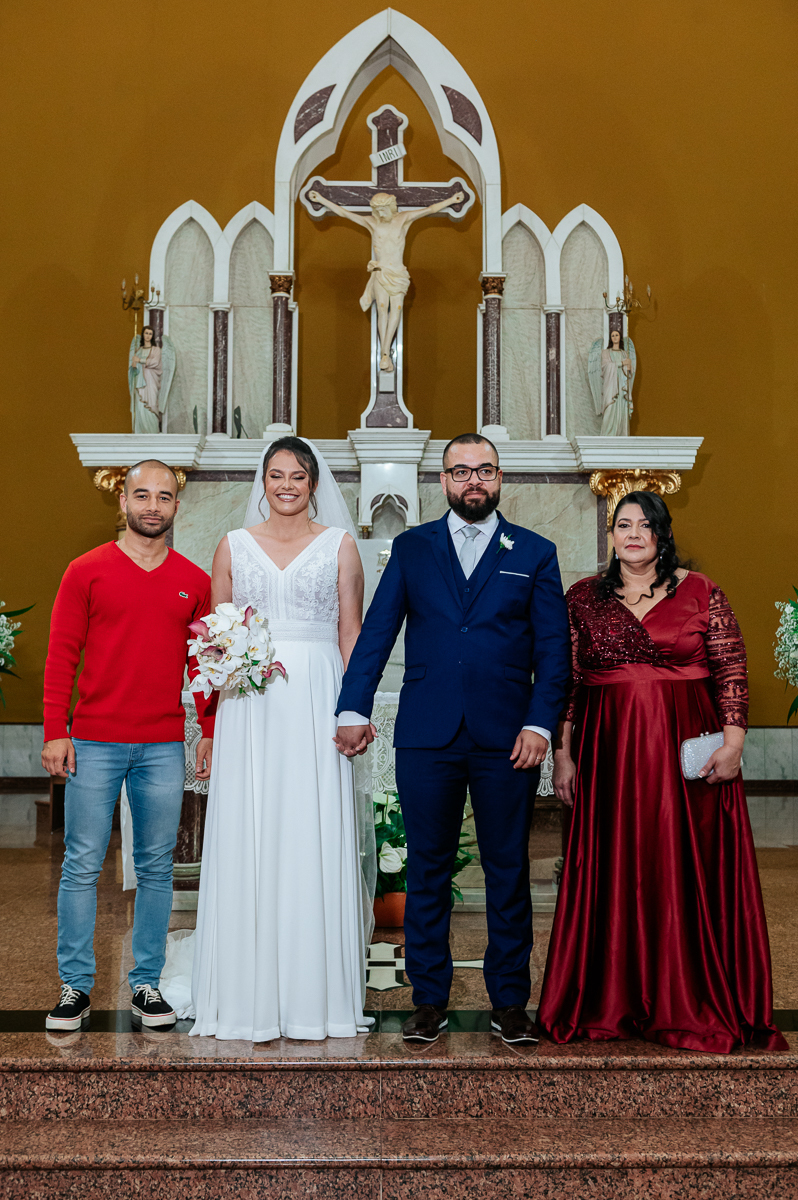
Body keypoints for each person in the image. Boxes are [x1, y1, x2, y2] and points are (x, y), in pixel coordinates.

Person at [335, 433, 571, 1045]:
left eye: (484, 470)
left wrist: (540, 722)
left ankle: (511, 1001)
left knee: (507, 871)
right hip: (427, 735)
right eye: (461, 471)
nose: (473, 481)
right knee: (428, 872)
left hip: (508, 737)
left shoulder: (535, 552)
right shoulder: (412, 549)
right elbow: (378, 632)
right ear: (442, 481)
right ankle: (428, 999)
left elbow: (553, 649)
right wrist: (352, 707)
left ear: (499, 478)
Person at [538, 491, 787, 1053]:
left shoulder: (701, 591)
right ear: (611, 535)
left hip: (686, 757)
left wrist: (735, 741)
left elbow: (731, 667)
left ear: (661, 532)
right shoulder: (583, 598)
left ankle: (687, 993)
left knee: (682, 863)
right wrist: (563, 752)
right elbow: (569, 684)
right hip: (609, 754)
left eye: (643, 525)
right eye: (622, 525)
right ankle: (611, 997)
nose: (632, 534)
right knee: (616, 863)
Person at [186, 436, 375, 1041]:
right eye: (276, 474)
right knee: (251, 829)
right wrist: (212, 724)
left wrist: (357, 707)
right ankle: (245, 996)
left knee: (310, 830)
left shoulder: (341, 547)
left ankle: (312, 994)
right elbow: (216, 641)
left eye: (298, 475)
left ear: (314, 482)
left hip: (319, 697)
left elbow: (352, 635)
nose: (287, 484)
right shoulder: (232, 548)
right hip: (252, 702)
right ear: (261, 482)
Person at [42, 460, 216, 1032]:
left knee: (157, 867)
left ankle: (146, 984)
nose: (151, 506)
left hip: (162, 743)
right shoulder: (85, 571)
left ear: (175, 508)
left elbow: (205, 667)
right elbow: (61, 655)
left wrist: (208, 730)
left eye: (163, 497)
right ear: (122, 502)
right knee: (81, 863)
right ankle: (74, 988)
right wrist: (55, 730)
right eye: (141, 495)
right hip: (93, 740)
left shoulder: (194, 581)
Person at [308, 189, 464, 371]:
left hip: (398, 273)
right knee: (382, 309)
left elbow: (430, 209)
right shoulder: (372, 223)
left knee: (396, 309)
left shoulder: (403, 219)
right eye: (378, 211)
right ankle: (385, 354)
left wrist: (452, 200)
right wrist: (322, 200)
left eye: (384, 210)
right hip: (381, 272)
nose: (381, 214)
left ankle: (385, 353)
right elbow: (345, 214)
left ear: (391, 207)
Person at [129, 326, 163, 433]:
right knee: (140, 404)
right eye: (146, 333)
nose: (148, 336)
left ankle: (152, 431)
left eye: (150, 334)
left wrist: (140, 360)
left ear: (152, 336)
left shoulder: (156, 350)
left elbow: (155, 362)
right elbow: (133, 367)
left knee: (151, 403)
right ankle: (141, 431)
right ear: (143, 335)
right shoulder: (138, 350)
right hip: (140, 382)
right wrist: (134, 365)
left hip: (151, 381)